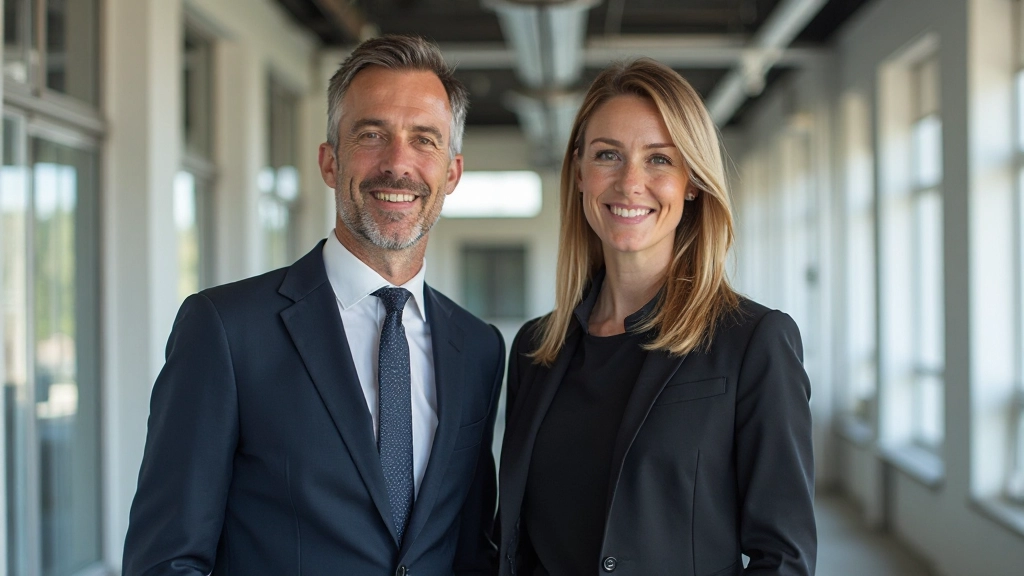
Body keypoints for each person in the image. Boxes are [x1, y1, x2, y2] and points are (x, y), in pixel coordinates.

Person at [123, 35, 505, 576]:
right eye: (372, 134)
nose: (398, 164)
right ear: (330, 161)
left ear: (452, 172)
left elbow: (470, 549)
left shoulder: (478, 348)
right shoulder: (227, 330)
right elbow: (166, 559)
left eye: (424, 140)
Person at [497, 59, 816, 576]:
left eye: (659, 160)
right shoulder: (536, 349)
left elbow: (783, 558)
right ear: (580, 174)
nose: (630, 182)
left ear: (692, 182)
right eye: (608, 155)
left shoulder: (753, 341)